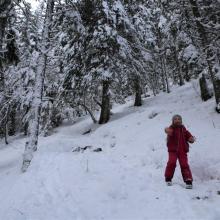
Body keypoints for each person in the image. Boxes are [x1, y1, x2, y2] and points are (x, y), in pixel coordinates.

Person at [164, 114, 195, 189]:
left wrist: (191, 139)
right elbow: (168, 131)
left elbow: (189, 137)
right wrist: (167, 130)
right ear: (173, 121)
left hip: (182, 151)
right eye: (175, 119)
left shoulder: (184, 130)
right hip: (173, 150)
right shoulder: (172, 128)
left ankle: (188, 180)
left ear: (181, 121)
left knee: (184, 164)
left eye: (179, 119)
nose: (177, 120)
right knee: (171, 162)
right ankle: (168, 178)